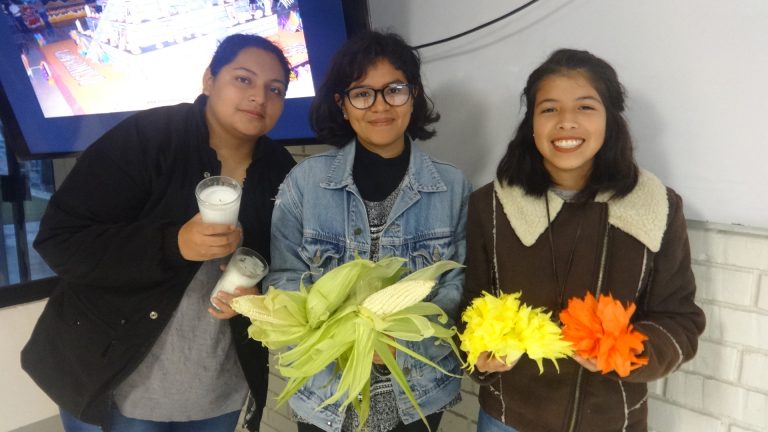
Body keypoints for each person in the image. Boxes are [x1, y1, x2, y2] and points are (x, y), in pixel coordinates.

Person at [21, 34, 296, 432]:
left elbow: (284, 261)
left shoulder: (281, 169)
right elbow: (61, 239)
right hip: (117, 381)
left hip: (216, 387)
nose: (260, 97)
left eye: (276, 90)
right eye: (243, 79)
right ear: (208, 80)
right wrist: (174, 243)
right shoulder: (148, 137)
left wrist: (262, 296)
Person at [462, 48, 706, 432]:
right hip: (508, 420)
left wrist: (628, 351)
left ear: (611, 118)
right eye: (549, 109)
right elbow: (469, 305)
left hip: (612, 421)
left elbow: (681, 320)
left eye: (585, 107)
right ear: (531, 123)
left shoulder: (657, 206)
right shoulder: (490, 206)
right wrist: (479, 351)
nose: (566, 123)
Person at [265, 31, 472, 432]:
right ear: (343, 105)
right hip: (325, 390)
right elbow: (285, 279)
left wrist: (398, 335)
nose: (380, 106)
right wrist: (350, 336)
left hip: (419, 391)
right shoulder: (304, 182)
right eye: (362, 93)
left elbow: (456, 284)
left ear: (413, 96)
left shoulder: (453, 186)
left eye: (394, 90)